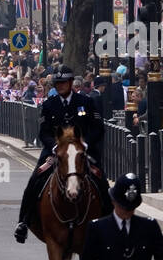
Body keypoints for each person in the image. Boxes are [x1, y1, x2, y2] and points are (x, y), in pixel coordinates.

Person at [14, 65, 109, 242]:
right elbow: (43, 132)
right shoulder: (49, 105)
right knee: (36, 179)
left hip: (82, 152)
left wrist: (85, 143)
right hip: (56, 152)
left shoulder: (86, 102)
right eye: (57, 83)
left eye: (63, 82)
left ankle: (111, 224)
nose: (60, 86)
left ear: (71, 82)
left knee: (101, 180)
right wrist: (54, 147)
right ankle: (24, 222)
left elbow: (98, 128)